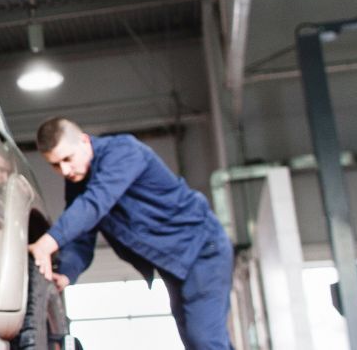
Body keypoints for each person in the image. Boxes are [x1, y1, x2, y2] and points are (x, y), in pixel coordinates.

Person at [27, 117, 232, 350]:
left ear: (84, 141)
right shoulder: (78, 182)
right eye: (55, 165)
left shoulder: (123, 152)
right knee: (195, 341)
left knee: (204, 339)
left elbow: (95, 204)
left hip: (202, 251)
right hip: (173, 263)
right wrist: (65, 273)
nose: (64, 170)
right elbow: (82, 237)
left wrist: (47, 243)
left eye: (67, 158)